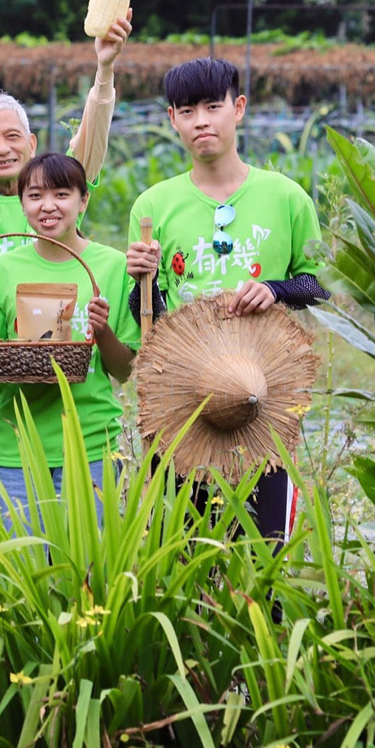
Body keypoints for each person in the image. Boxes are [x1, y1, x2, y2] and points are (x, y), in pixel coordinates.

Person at [127, 57, 327, 544]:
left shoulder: (286, 197)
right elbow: (145, 316)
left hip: (264, 399)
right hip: (184, 403)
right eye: (187, 110)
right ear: (171, 119)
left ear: (237, 109)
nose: (201, 121)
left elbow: (316, 288)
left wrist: (275, 290)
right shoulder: (153, 206)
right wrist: (144, 280)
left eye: (213, 107)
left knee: (264, 551)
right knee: (179, 549)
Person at [0, 12, 134, 397]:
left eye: (12, 137)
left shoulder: (51, 199)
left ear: (32, 144)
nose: (3, 148)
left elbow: (90, 145)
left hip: (56, 381)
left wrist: (104, 69)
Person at [0, 154, 147, 525]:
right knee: (21, 568)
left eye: (61, 195)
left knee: (86, 572)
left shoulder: (112, 267)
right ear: (22, 204)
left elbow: (125, 370)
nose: (47, 206)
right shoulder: (3, 270)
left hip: (89, 443)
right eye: (35, 195)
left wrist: (102, 333)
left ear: (83, 201)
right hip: (14, 445)